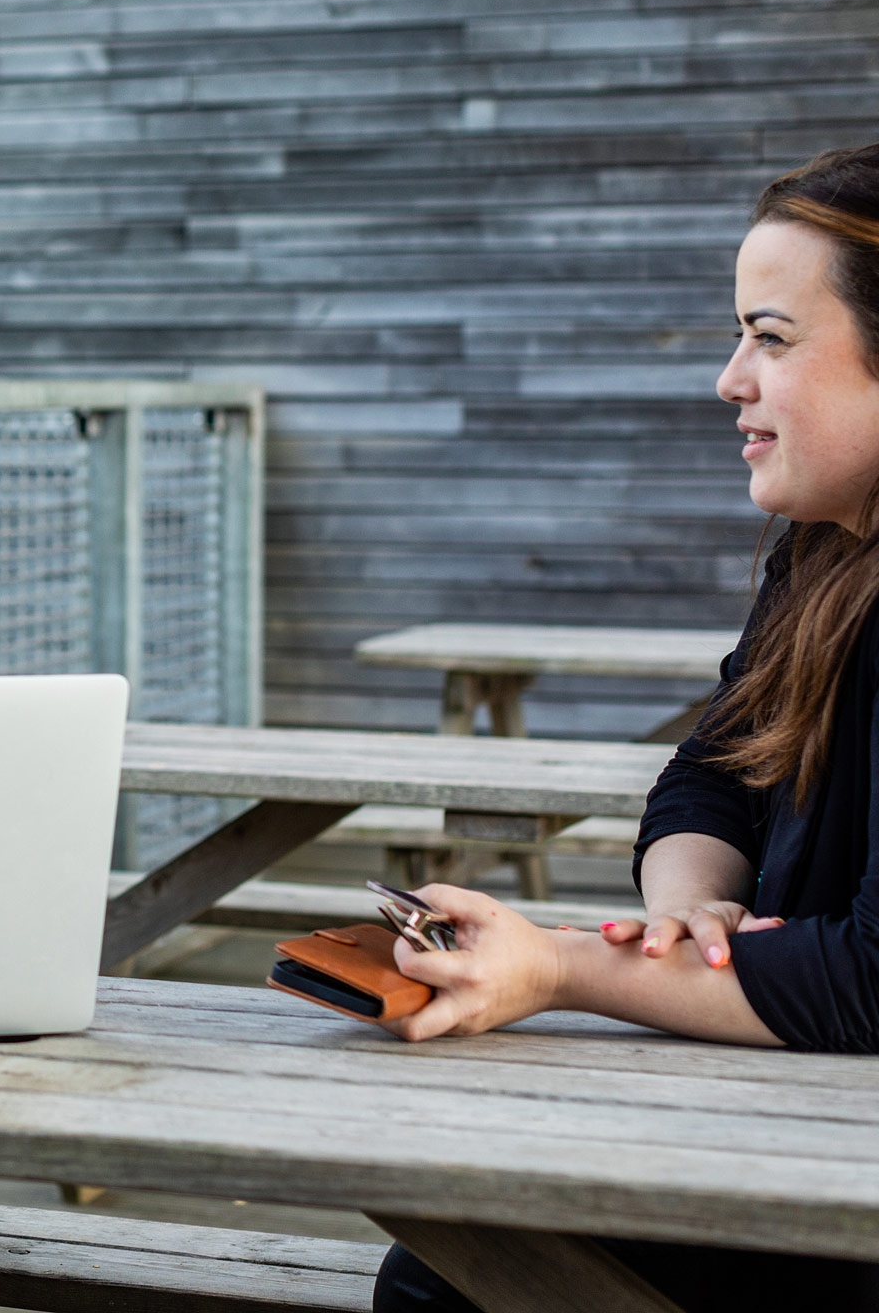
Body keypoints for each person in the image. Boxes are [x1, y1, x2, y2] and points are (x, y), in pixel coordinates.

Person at [369, 144, 879, 1311]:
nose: (729, 379)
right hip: (803, 1121)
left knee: (457, 1276)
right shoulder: (823, 551)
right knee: (448, 1258)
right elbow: (708, 776)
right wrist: (688, 913)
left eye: (773, 337)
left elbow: (871, 980)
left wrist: (554, 963)